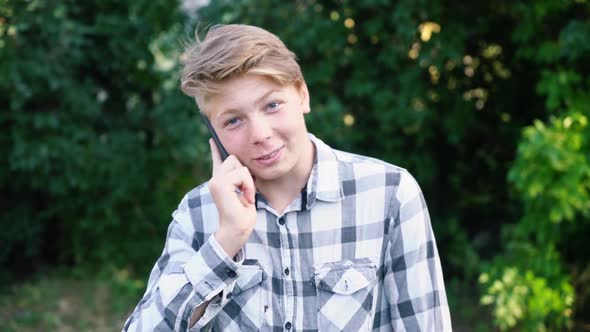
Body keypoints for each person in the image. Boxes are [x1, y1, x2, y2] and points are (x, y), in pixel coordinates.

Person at [123, 24, 451, 332]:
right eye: (233, 121)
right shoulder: (198, 213)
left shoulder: (389, 193)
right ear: (213, 132)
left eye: (272, 105)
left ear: (303, 95)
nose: (261, 134)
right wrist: (226, 241)